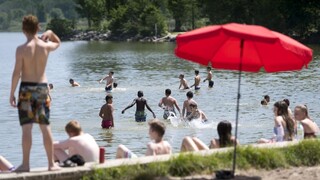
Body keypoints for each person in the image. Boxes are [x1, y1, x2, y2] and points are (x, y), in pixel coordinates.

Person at [9, 15, 61, 172]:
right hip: (42, 89)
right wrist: (50, 32)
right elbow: (58, 43)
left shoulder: (21, 49)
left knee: (26, 129)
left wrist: (11, 93)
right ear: (38, 27)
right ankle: (51, 164)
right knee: (45, 128)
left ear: (23, 29)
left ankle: (25, 165)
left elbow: (16, 73)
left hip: (26, 90)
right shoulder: (45, 47)